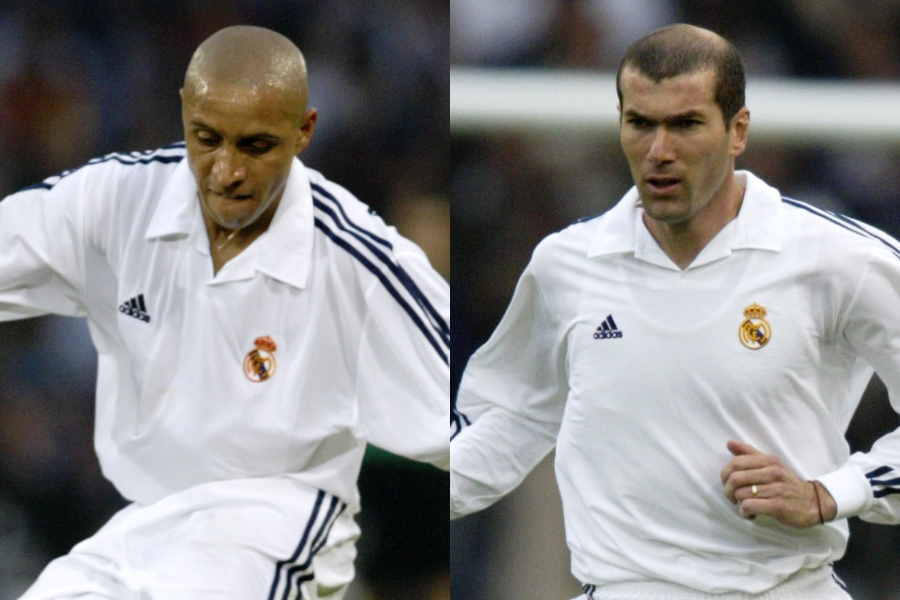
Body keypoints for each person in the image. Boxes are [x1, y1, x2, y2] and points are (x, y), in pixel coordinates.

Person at [450, 23, 900, 600]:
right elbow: (512, 416)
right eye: (641, 123)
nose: (659, 151)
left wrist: (831, 493)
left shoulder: (838, 258)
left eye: (686, 124)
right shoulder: (567, 264)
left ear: (738, 131)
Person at [2, 25, 449, 600]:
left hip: (273, 532)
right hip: (139, 530)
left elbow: (480, 412)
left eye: (255, 146)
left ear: (304, 130)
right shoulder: (115, 199)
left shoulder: (356, 261)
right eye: (207, 138)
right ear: (184, 113)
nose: (227, 171)